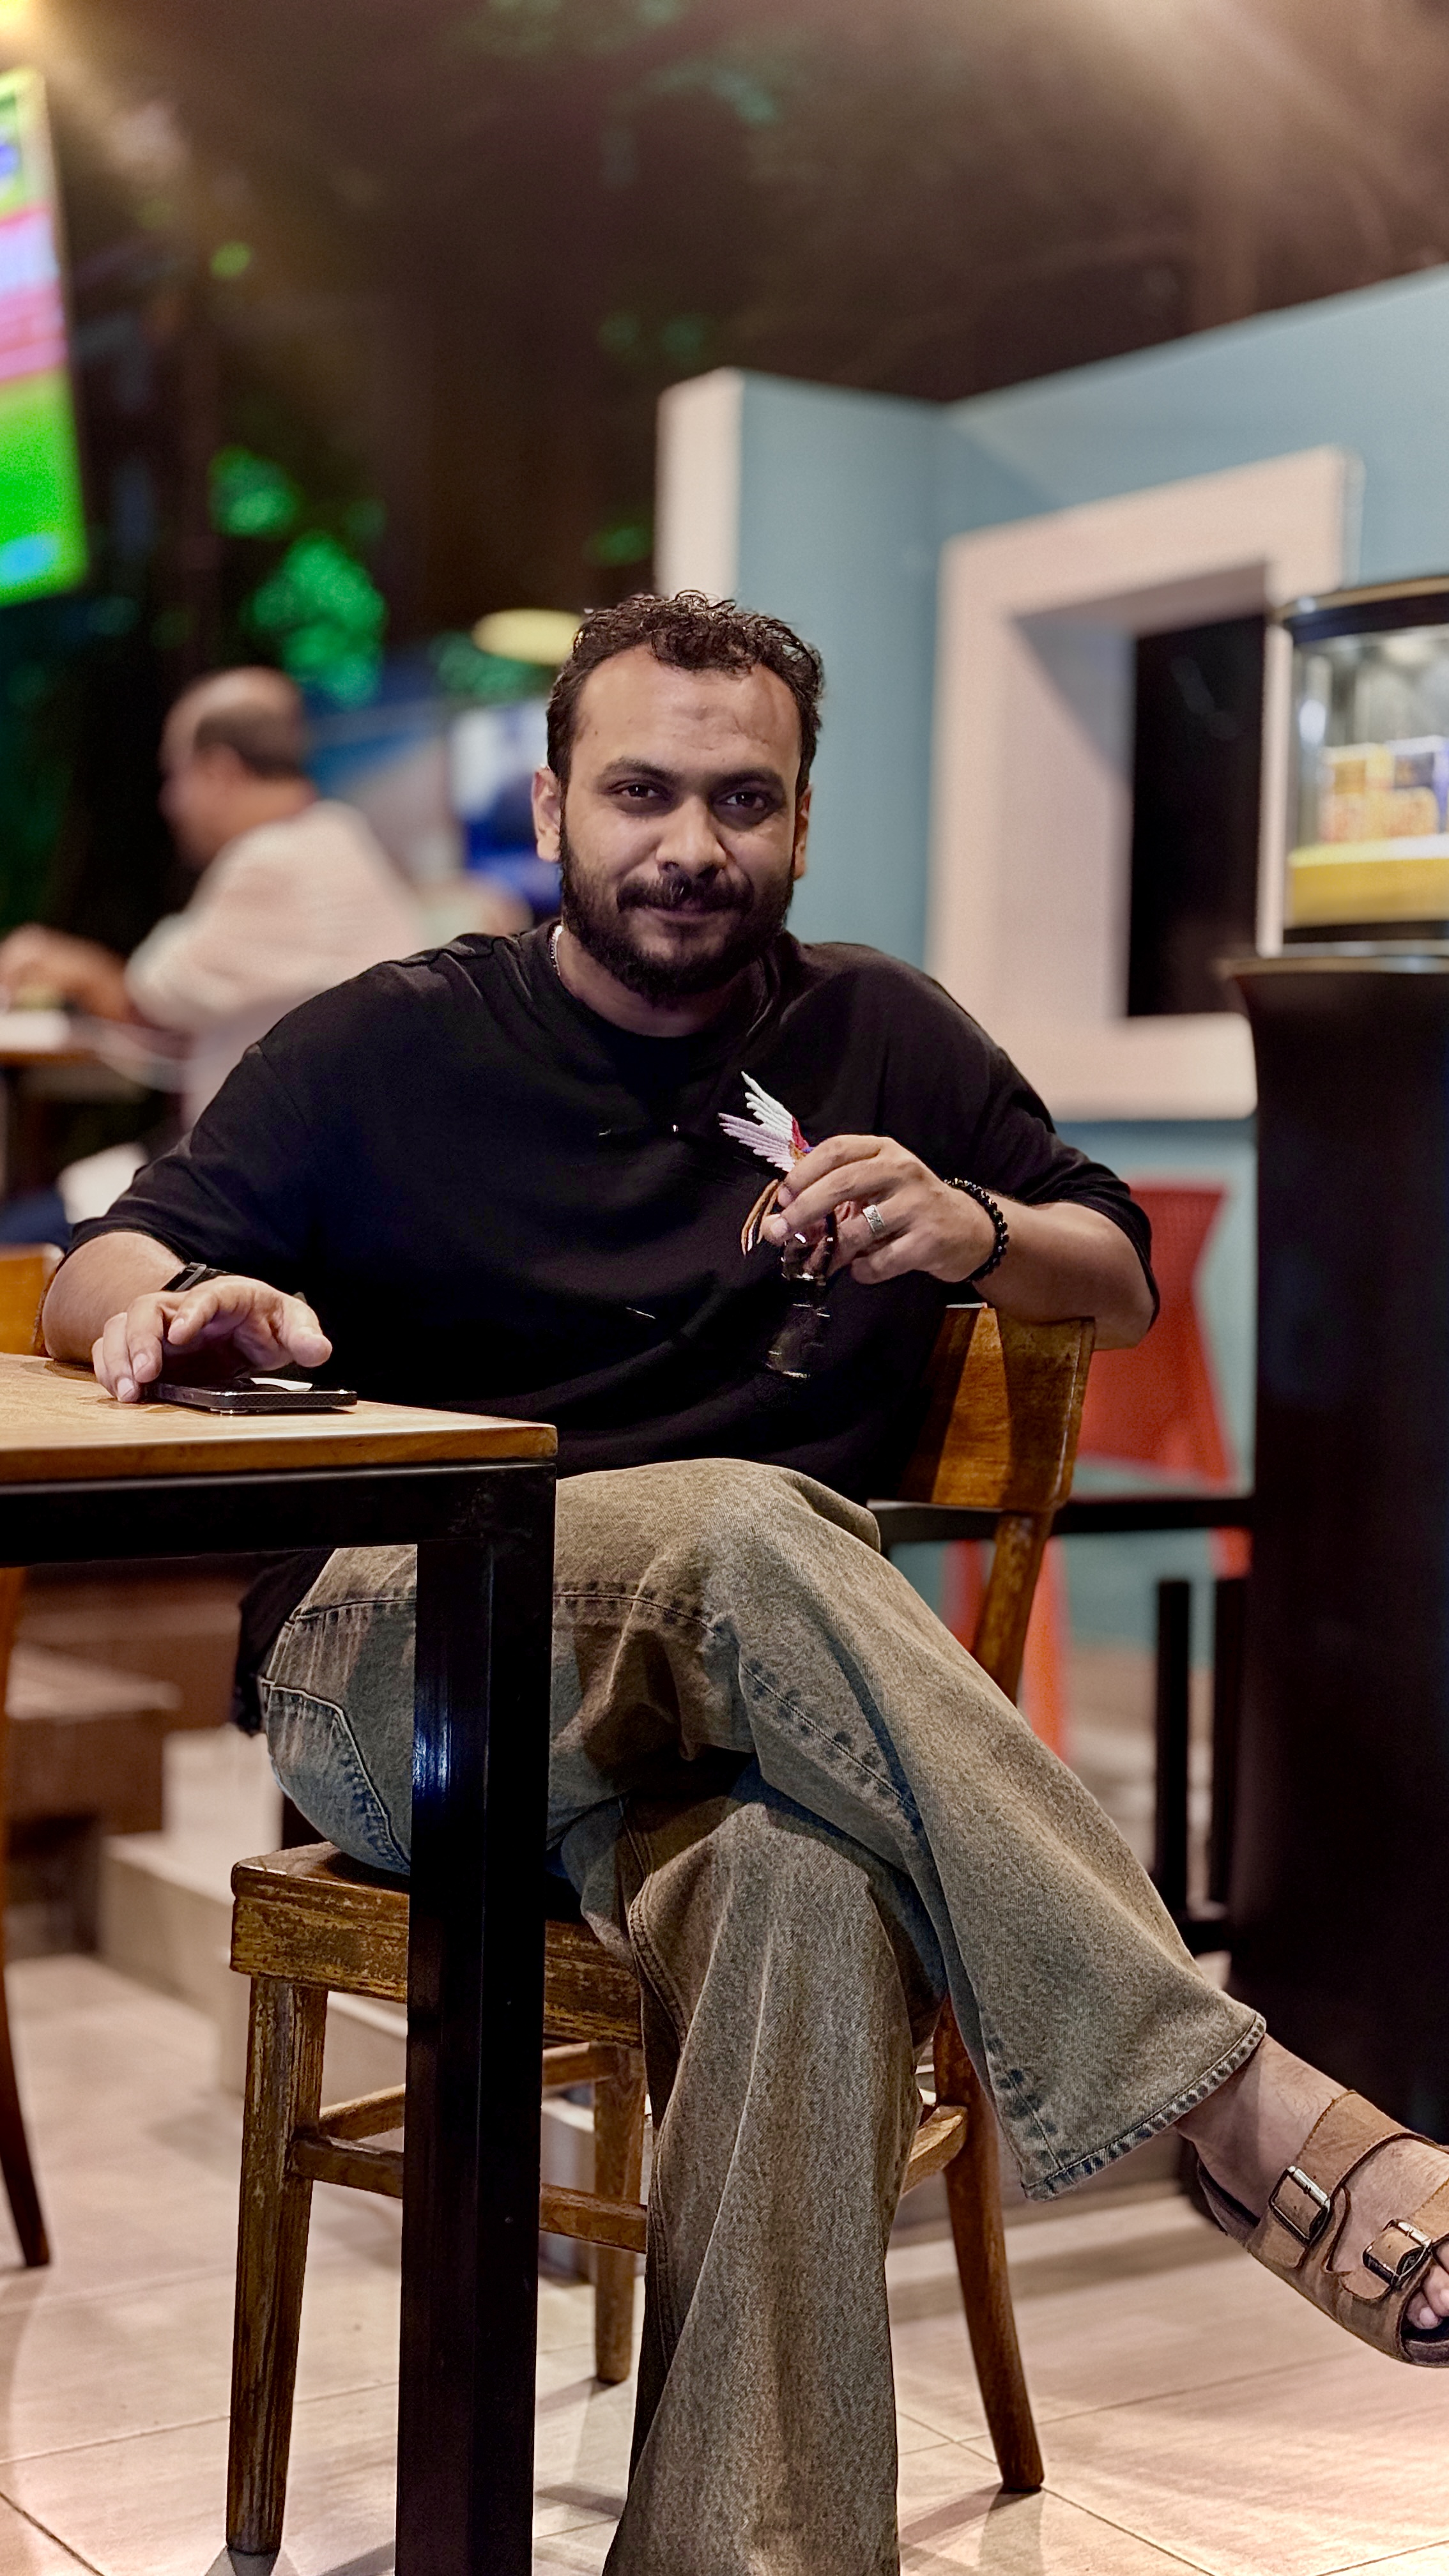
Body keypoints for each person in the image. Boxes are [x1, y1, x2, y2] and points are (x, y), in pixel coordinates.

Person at [42, 595, 1449, 2575]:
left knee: (808, 1888)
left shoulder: (881, 1033)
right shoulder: (389, 1037)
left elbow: (1118, 1269)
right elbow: (107, 1257)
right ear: (553, 808)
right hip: (405, 1673)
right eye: (639, 793)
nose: (689, 843)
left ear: (799, 821)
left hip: (725, 1735)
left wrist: (973, 1225)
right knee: (742, 1524)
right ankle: (1239, 2110)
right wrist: (182, 1302)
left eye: (741, 800)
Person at [0, 664, 425, 1145]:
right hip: (328, 1155)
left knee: (47, 1199)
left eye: (174, 774)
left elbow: (152, 997)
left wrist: (76, 969)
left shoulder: (274, 861)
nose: (169, 801)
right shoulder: (332, 835)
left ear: (219, 772)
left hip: (284, 1173)